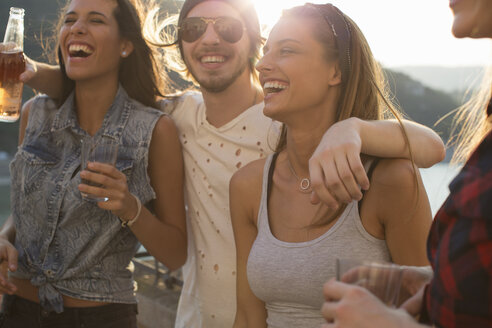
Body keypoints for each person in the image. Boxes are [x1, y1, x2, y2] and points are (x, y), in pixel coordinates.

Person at [13, 0, 446, 327]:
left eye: (230, 27)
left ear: (253, 45)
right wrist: (29, 71)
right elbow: (101, 90)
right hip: (199, 317)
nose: (210, 38)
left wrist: (353, 128)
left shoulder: (282, 118)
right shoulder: (175, 117)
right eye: (194, 27)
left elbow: (431, 146)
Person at [230, 3, 435, 327]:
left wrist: (353, 129)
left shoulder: (389, 183)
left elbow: (425, 313)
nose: (263, 64)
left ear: (335, 71)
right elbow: (248, 317)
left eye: (286, 51)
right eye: (266, 51)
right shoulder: (248, 185)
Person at [0, 0, 186, 327]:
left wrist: (130, 208)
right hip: (17, 312)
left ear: (125, 45)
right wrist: (4, 239)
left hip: (98, 318)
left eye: (96, 20)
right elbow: (24, 209)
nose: (77, 28)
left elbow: (175, 255)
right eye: (69, 20)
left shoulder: (155, 130)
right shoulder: (35, 113)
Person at [321, 0, 492, 327]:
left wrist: (391, 323)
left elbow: (433, 147)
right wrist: (433, 287)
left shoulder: (391, 178)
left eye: (287, 50)